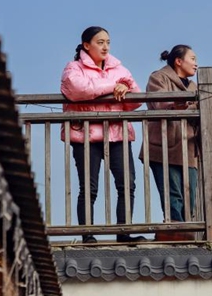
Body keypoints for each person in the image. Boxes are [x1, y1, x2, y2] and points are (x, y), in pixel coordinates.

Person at [60, 26, 147, 243]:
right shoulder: (73, 68)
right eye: (100, 42)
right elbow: (78, 89)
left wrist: (124, 89)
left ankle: (123, 233)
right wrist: (113, 87)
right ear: (86, 45)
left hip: (117, 133)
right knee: (89, 188)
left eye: (108, 41)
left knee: (127, 184)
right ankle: (87, 235)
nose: (105, 46)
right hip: (85, 136)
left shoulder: (120, 68)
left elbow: (137, 98)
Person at [141, 45, 200, 239]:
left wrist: (192, 106)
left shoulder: (194, 87)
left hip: (188, 147)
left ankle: (185, 233)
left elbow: (210, 112)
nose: (196, 63)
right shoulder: (158, 77)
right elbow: (160, 103)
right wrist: (185, 104)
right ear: (178, 61)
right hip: (164, 146)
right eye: (192, 58)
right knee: (173, 195)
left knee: (190, 196)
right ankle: (177, 234)